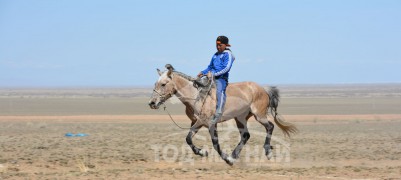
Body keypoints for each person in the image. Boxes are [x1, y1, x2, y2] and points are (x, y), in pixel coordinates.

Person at [197, 35, 235, 124]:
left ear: (226, 45)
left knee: (219, 91)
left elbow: (226, 68)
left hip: (221, 78)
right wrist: (202, 72)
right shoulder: (215, 55)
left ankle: (218, 113)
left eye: (220, 45)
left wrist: (213, 75)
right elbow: (210, 67)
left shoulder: (228, 54)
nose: (218, 47)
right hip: (210, 78)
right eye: (217, 45)